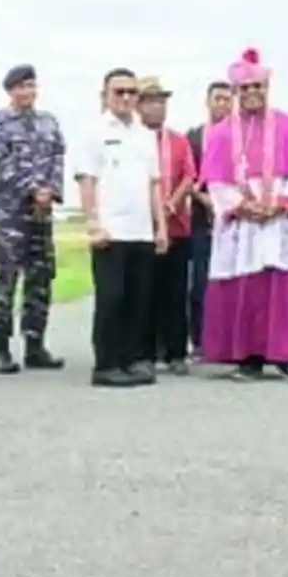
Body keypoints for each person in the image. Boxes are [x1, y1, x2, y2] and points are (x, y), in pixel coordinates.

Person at [198, 48, 288, 383]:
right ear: (236, 93)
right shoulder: (221, 133)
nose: (252, 94)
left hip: (280, 222)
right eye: (244, 89)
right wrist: (243, 206)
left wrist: (279, 203)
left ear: (267, 88)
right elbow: (217, 182)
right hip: (242, 224)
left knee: (284, 285)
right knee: (246, 288)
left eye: (257, 87)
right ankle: (248, 357)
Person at [75, 68, 168, 388]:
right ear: (105, 95)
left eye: (132, 92)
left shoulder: (145, 135)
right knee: (111, 297)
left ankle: (131, 360)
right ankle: (106, 363)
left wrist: (161, 227)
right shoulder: (95, 131)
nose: (126, 98)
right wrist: (93, 224)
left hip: (141, 229)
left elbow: (155, 184)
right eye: (119, 92)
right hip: (110, 230)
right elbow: (87, 179)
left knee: (138, 299)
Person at [0, 64, 66, 374]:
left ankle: (35, 344)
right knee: (5, 279)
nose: (26, 92)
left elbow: (58, 157)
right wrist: (33, 190)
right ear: (10, 91)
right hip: (11, 212)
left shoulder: (49, 122)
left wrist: (51, 191)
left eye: (30, 86)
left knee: (41, 278)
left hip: (42, 214)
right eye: (20, 87)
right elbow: (3, 163)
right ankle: (0, 348)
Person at [136, 77, 196, 376]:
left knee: (175, 292)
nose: (156, 107)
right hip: (143, 228)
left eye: (161, 101)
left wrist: (172, 202)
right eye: (150, 101)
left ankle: (176, 352)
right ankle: (145, 351)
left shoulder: (178, 140)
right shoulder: (133, 140)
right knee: (146, 291)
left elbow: (189, 175)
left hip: (176, 226)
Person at [185, 81, 233, 359]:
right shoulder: (194, 137)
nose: (223, 105)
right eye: (218, 99)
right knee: (201, 282)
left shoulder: (241, 137)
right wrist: (208, 201)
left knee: (230, 283)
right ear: (208, 102)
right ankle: (200, 341)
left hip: (235, 218)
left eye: (228, 100)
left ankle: (229, 341)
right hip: (202, 218)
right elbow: (187, 178)